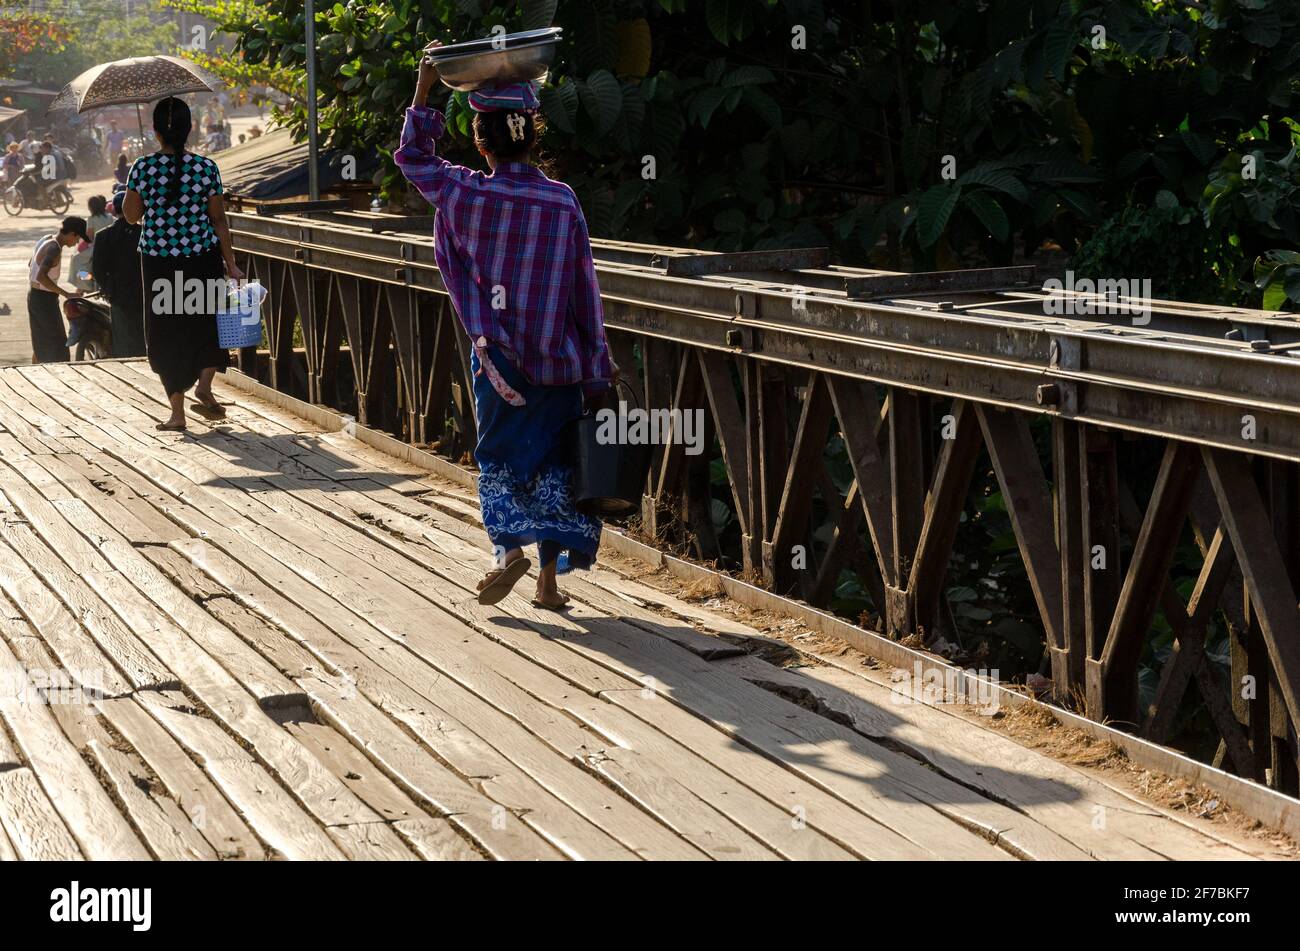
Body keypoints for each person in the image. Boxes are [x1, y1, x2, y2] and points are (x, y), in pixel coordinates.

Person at [394, 53, 616, 611]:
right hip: (559, 362)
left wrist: (423, 86)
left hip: (500, 363)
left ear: (481, 141)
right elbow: (582, 291)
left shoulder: (464, 193)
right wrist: (597, 366)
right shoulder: (561, 201)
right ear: (532, 137)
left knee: (500, 459)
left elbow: (414, 157)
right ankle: (548, 582)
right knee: (553, 466)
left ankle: (506, 553)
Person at [123, 97, 243, 431]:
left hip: (159, 262)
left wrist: (153, 204)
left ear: (156, 131)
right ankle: (204, 387)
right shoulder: (206, 168)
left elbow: (131, 217)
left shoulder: (142, 168)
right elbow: (219, 220)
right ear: (190, 129)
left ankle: (177, 414)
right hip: (201, 258)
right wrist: (230, 264)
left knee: (166, 332)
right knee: (205, 324)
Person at [91, 192, 145, 357]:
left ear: (114, 210)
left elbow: (98, 269)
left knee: (123, 336)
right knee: (143, 334)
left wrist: (108, 288)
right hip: (143, 293)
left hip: (117, 294)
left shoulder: (103, 236)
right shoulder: (144, 233)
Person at [27, 217, 88, 363]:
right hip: (43, 300)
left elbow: (30, 264)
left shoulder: (46, 239)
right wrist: (66, 294)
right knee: (56, 343)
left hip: (35, 296)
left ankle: (34, 370)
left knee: (41, 340)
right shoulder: (54, 249)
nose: (77, 241)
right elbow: (41, 276)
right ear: (71, 234)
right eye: (78, 237)